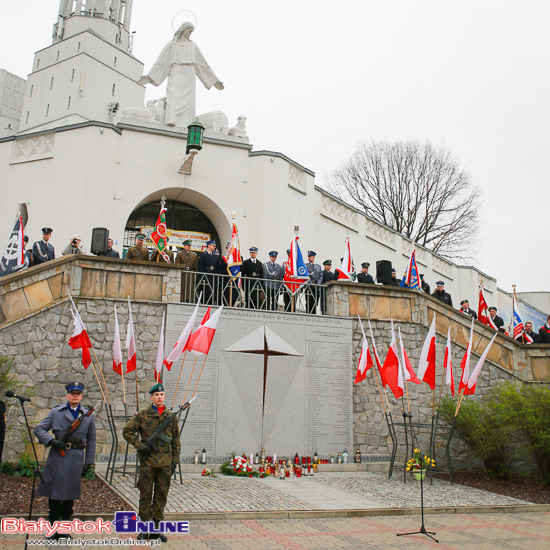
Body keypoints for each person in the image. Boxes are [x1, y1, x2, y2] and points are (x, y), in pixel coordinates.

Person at [34, 382, 96, 540]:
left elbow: (92, 438)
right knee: (54, 495)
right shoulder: (56, 412)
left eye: (78, 393)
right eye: (72, 393)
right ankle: (53, 529)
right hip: (58, 457)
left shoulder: (88, 415)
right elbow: (39, 429)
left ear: (81, 396)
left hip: (76, 458)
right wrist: (51, 441)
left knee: (69, 497)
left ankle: (64, 530)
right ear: (67, 395)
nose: (75, 396)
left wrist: (89, 462)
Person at [123, 383, 181, 543]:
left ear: (164, 396)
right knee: (145, 495)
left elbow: (176, 440)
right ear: (151, 397)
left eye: (161, 395)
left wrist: (174, 461)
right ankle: (143, 530)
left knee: (161, 496)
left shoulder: (171, 416)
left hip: (165, 463)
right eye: (156, 395)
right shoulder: (143, 414)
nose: (159, 397)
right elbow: (127, 431)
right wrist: (140, 445)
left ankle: (156, 530)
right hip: (147, 463)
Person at [138, 22, 224, 129]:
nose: (189, 33)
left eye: (191, 32)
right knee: (173, 95)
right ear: (183, 30)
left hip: (189, 75)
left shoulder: (193, 46)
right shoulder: (172, 45)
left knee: (188, 102)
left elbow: (203, 64)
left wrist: (215, 81)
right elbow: (161, 62)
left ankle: (186, 124)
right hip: (176, 72)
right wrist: (149, 77)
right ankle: (171, 119)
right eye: (188, 31)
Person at [198, 240, 223, 305]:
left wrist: (218, 278)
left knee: (213, 292)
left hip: (213, 276)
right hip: (206, 275)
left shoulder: (216, 256)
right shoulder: (203, 255)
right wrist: (202, 277)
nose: (214, 247)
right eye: (213, 245)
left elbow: (218, 268)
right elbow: (201, 267)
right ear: (209, 246)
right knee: (205, 292)